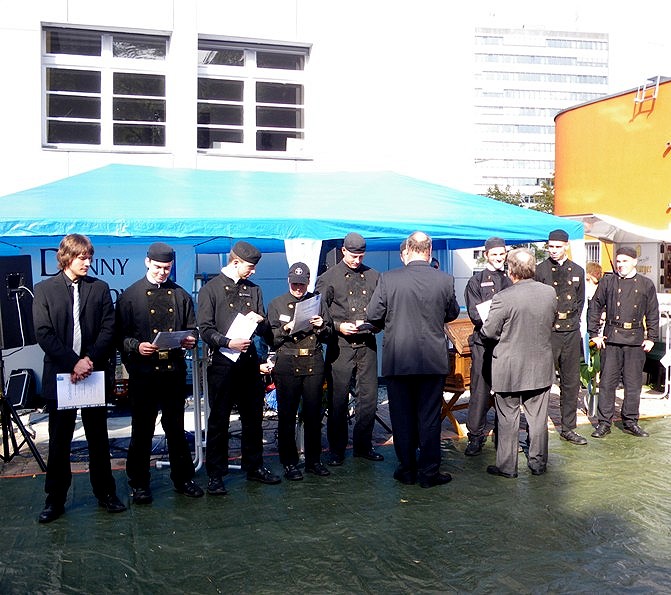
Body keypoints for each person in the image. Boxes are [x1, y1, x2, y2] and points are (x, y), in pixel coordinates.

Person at [32, 234, 126, 523]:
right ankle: (55, 499)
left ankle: (106, 493)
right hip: (61, 376)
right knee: (60, 441)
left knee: (98, 438)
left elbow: (109, 329)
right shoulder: (44, 290)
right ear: (66, 257)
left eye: (89, 258)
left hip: (92, 374)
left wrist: (88, 361)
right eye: (82, 258)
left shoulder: (99, 288)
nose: (87, 263)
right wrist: (74, 362)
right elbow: (44, 333)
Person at [367, 231, 460, 487]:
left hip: (399, 360)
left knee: (402, 417)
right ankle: (429, 472)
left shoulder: (388, 279)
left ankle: (407, 469)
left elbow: (373, 315)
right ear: (429, 252)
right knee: (429, 418)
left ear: (407, 250)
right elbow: (451, 312)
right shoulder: (444, 279)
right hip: (431, 360)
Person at [115, 242, 203, 504]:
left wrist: (191, 339)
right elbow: (119, 336)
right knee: (142, 430)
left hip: (173, 372)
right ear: (147, 263)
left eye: (167, 268)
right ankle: (139, 483)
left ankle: (183, 478)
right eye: (158, 267)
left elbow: (192, 328)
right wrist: (136, 346)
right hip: (144, 374)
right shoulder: (130, 296)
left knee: (176, 428)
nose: (162, 272)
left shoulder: (181, 295)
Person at [197, 240, 281, 494]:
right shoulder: (211, 289)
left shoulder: (254, 290)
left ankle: (254, 465)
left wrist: (262, 321)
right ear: (235, 262)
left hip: (248, 361)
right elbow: (205, 329)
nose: (253, 272)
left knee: (253, 417)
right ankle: (216, 473)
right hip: (223, 362)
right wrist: (227, 342)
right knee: (219, 420)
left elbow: (264, 328)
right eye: (249, 267)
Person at [481, 248, 556, 478]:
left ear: (511, 270)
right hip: (540, 365)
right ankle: (538, 463)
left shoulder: (503, 297)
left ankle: (507, 466)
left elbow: (489, 331)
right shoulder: (549, 293)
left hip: (509, 367)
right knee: (538, 419)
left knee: (508, 419)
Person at [315, 232, 383, 466]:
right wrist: (338, 326)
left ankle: (363, 445)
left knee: (369, 399)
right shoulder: (328, 278)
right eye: (353, 256)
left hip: (367, 344)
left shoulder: (374, 276)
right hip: (340, 346)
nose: (357, 260)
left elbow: (382, 309)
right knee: (338, 400)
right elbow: (319, 314)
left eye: (361, 256)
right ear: (343, 251)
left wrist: (376, 325)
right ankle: (336, 449)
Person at [268, 262, 333, 480]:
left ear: (308, 283)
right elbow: (270, 338)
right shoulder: (277, 304)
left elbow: (329, 335)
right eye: (295, 284)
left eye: (302, 284)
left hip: (313, 359)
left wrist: (321, 326)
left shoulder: (317, 301)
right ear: (288, 281)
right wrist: (285, 328)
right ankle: (289, 462)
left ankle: (314, 460)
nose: (298, 288)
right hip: (287, 361)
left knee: (313, 414)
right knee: (287, 415)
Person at [588, 246, 659, 438]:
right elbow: (595, 306)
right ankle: (604, 423)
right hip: (611, 338)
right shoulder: (608, 281)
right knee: (607, 383)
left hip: (635, 339)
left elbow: (653, 312)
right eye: (618, 261)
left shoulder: (646, 284)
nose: (621, 265)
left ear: (635, 261)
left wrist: (651, 338)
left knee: (633, 384)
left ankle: (630, 421)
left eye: (625, 261)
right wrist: (593, 333)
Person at [535, 229, 587, 446]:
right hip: (549, 332)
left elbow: (580, 301)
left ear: (566, 246)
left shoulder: (578, 271)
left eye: (558, 247)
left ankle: (569, 428)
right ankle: (536, 429)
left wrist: (574, 324)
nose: (554, 250)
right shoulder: (540, 270)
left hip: (571, 331)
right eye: (551, 247)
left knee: (571, 382)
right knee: (542, 382)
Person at [463, 236, 511, 456]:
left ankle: (504, 435)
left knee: (506, 391)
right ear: (486, 255)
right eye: (494, 254)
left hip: (506, 344)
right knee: (479, 392)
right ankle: (475, 436)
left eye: (502, 254)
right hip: (483, 344)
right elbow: (475, 314)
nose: (499, 258)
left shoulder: (511, 279)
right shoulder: (476, 281)